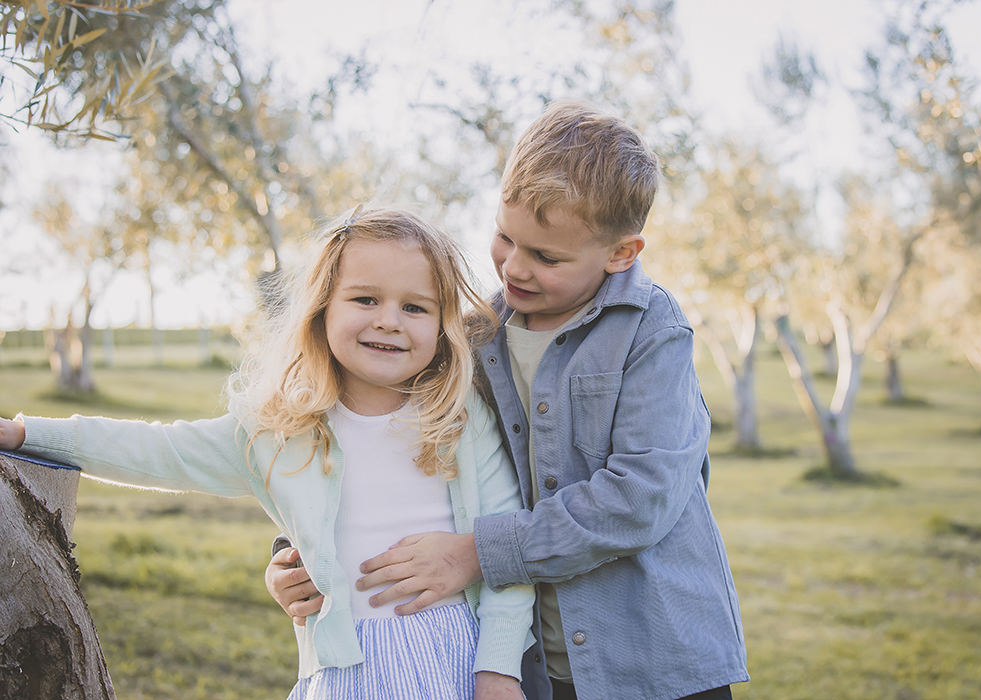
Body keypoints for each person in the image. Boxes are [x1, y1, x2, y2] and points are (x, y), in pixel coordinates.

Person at [266, 102, 750, 700]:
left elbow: (642, 496)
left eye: (547, 257)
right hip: (536, 667)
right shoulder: (471, 337)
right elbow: (381, 446)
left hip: (655, 658)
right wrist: (294, 555)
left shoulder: (652, 331)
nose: (514, 267)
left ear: (622, 253)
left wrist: (477, 553)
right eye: (504, 236)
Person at [0, 207, 535, 700]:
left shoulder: (458, 419)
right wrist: (28, 434)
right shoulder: (278, 430)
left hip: (453, 661)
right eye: (366, 299)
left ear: (442, 327)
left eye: (415, 307)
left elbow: (503, 546)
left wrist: (499, 669)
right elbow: (160, 450)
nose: (389, 320)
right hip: (341, 671)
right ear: (322, 307)